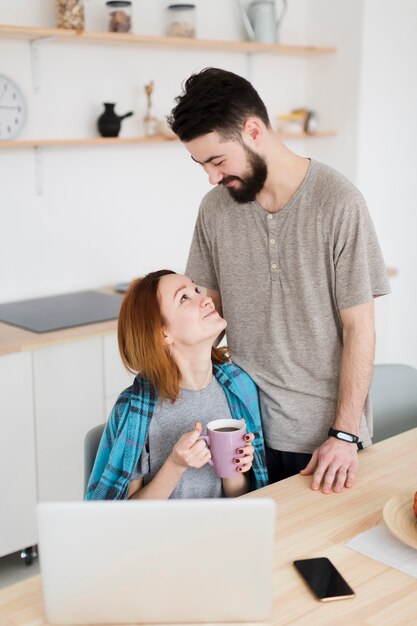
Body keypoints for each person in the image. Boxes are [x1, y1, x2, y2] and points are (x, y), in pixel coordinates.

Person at [168, 67, 391, 494]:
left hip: (326, 443)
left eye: (217, 161)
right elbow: (204, 320)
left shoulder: (339, 203)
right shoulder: (215, 209)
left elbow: (360, 328)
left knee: (324, 558)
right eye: (201, 165)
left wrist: (344, 434)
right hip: (243, 432)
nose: (212, 177)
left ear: (253, 130)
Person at [86, 270, 268, 500]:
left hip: (222, 530)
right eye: (184, 298)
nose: (206, 298)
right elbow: (126, 517)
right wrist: (175, 464)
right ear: (163, 334)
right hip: (163, 535)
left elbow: (239, 498)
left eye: (196, 290)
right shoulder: (136, 409)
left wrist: (234, 468)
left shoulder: (238, 387)